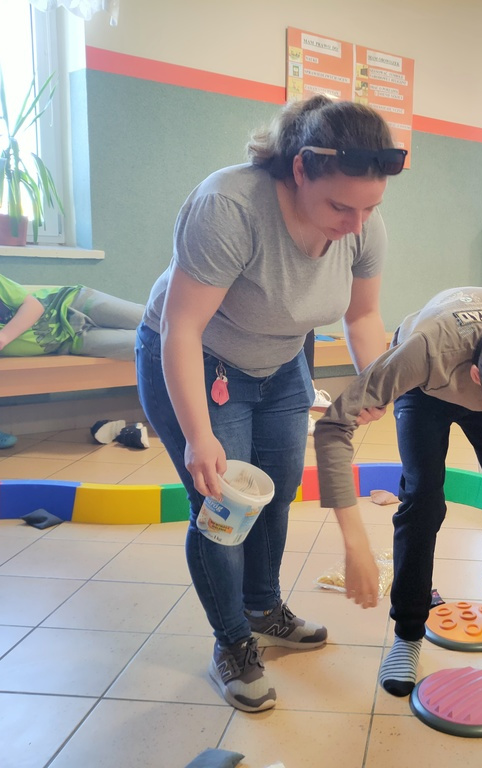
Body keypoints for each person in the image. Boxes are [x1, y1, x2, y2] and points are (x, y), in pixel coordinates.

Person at [134, 95, 403, 714]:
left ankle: (262, 607)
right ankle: (232, 642)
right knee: (224, 509)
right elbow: (181, 328)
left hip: (282, 361)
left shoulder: (362, 225)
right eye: (341, 207)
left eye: (369, 208)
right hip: (199, 359)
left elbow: (362, 317)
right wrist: (199, 435)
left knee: (276, 494)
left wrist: (375, 386)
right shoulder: (230, 207)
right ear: (300, 168)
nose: (356, 224)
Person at [313, 287, 482, 697]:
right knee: (422, 499)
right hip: (428, 388)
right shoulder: (423, 353)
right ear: (476, 380)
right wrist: (356, 544)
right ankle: (408, 633)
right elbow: (333, 426)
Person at [0, 241, 143, 364]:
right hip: (67, 341)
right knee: (148, 344)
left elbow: (34, 306)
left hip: (72, 303)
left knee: (153, 320)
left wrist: (3, 336)